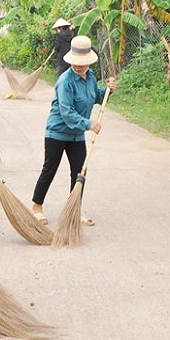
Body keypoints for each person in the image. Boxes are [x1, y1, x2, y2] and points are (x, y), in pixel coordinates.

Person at [30, 35, 117, 226]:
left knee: (79, 172)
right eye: (76, 63)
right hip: (57, 132)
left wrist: (108, 90)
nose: (79, 67)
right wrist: (89, 124)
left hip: (76, 135)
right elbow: (67, 112)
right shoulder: (65, 81)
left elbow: (96, 96)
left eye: (82, 64)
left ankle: (73, 210)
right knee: (49, 169)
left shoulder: (91, 77)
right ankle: (37, 206)